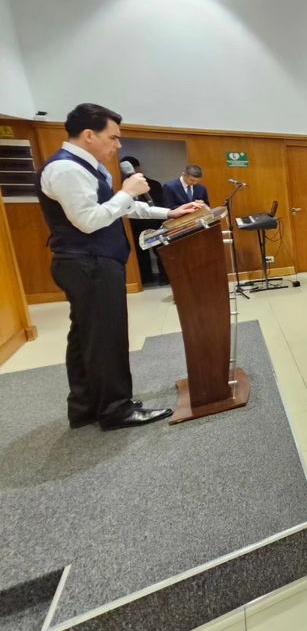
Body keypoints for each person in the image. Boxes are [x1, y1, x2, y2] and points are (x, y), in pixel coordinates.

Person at [37, 103, 202, 429]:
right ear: (88, 135)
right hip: (88, 263)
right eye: (113, 137)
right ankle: (116, 409)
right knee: (106, 338)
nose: (118, 144)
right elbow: (89, 220)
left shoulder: (90, 168)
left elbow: (118, 208)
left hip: (94, 262)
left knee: (86, 337)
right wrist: (126, 191)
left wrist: (169, 213)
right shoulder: (66, 169)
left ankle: (85, 405)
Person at [120, 156, 165, 286]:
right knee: (140, 254)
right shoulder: (122, 187)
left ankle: (164, 277)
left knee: (159, 250)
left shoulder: (153, 184)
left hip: (154, 224)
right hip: (134, 225)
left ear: (138, 168)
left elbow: (159, 204)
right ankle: (145, 278)